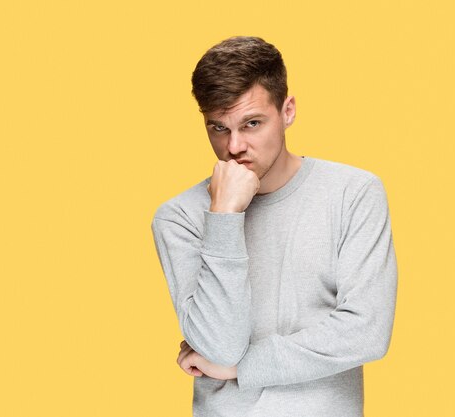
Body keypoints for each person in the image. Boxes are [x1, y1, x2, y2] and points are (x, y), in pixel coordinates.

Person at [150, 35, 398, 417]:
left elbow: (367, 331)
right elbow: (219, 347)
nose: (234, 147)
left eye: (252, 124)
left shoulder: (353, 193)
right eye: (218, 128)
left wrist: (241, 369)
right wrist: (224, 216)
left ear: (288, 111)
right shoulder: (180, 217)